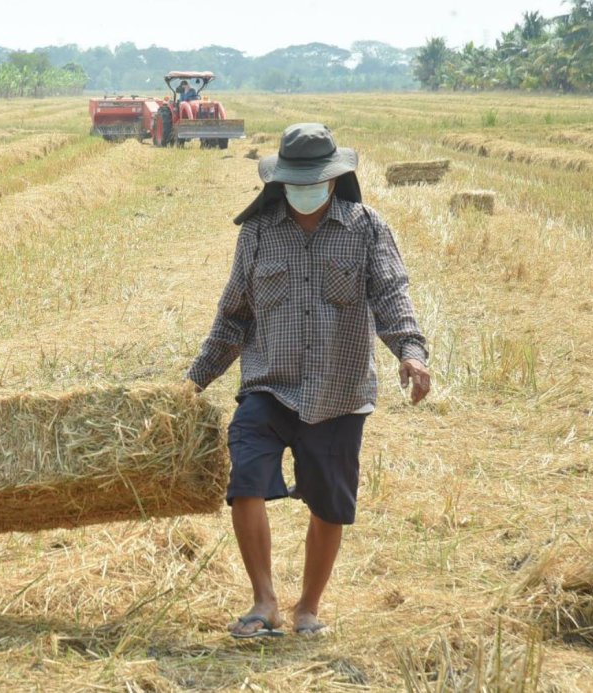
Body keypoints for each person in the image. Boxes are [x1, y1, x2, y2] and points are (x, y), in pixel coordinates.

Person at [185, 123, 431, 639]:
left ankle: (308, 608)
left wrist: (410, 352)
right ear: (280, 182)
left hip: (338, 394)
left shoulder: (367, 228)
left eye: (311, 179)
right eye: (294, 181)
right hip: (269, 385)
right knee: (245, 481)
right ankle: (263, 602)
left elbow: (391, 295)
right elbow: (234, 317)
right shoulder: (257, 232)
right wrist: (195, 381)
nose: (303, 189)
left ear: (335, 179)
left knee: (329, 503)